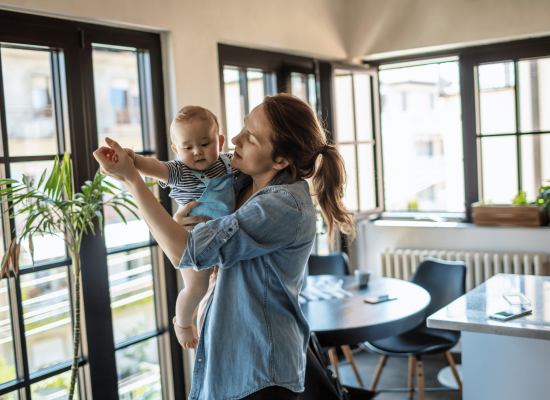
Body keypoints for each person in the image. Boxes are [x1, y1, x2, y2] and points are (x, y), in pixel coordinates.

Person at [93, 93, 355, 400]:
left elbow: (184, 252)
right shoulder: (239, 184)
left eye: (250, 137)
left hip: (257, 374)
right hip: (227, 362)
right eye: (243, 126)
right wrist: (179, 225)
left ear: (281, 160)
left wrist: (133, 179)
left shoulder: (283, 205)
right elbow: (191, 253)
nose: (234, 139)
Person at [122, 105, 238, 350]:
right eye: (188, 147)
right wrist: (131, 159)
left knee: (217, 286)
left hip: (223, 238)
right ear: (176, 150)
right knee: (197, 287)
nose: (197, 152)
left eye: (205, 143)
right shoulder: (178, 171)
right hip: (190, 239)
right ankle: (183, 323)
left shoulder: (229, 163)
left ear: (220, 141)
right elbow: (151, 166)